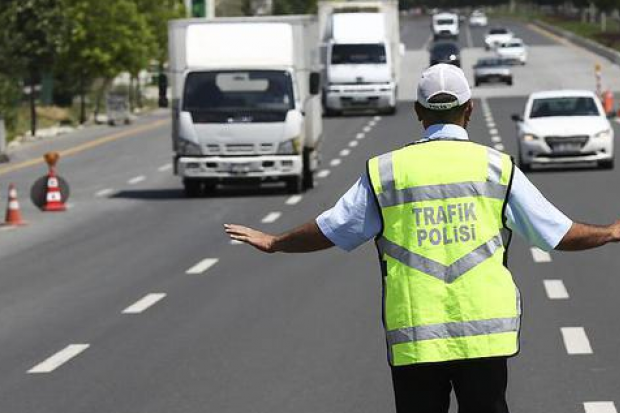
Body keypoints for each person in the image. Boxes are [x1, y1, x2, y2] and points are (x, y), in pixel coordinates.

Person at [224, 64, 620, 413]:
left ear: (418, 112)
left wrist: (275, 241)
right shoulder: (496, 168)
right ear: (470, 110)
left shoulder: (388, 171)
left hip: (416, 333)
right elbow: (558, 233)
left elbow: (332, 228)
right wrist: (610, 232)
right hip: (484, 337)